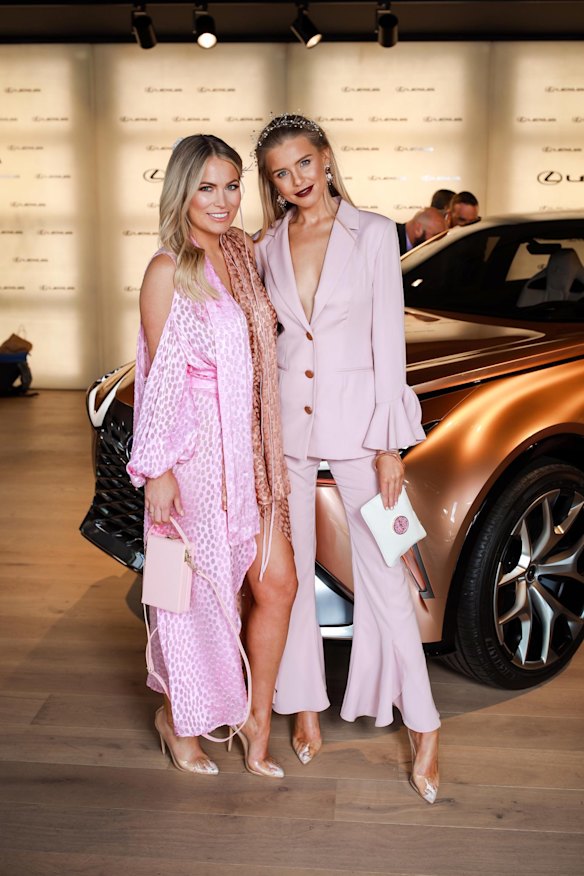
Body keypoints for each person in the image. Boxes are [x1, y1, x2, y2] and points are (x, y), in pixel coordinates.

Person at [254, 114, 441, 803]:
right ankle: (304, 706)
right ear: (270, 182)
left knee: (390, 578)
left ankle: (424, 727)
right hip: (288, 438)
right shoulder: (268, 244)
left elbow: (387, 345)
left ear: (326, 157)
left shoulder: (372, 234)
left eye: (304, 163)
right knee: (290, 577)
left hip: (365, 435)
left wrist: (390, 445)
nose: (296, 180)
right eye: (280, 172)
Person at [127, 134, 297, 779]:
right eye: (207, 187)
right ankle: (180, 719)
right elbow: (159, 377)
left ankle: (256, 723)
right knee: (193, 596)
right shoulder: (169, 269)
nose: (222, 200)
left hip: (251, 453)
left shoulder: (242, 252)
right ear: (182, 192)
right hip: (193, 458)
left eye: (231, 185)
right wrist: (159, 470)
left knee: (274, 584)